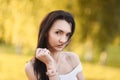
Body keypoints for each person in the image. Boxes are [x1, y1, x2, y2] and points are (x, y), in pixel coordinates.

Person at [25, 10, 84, 80]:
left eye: (67, 35)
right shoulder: (31, 67)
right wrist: (50, 64)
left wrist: (51, 65)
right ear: (46, 32)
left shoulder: (72, 59)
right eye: (58, 32)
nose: (63, 40)